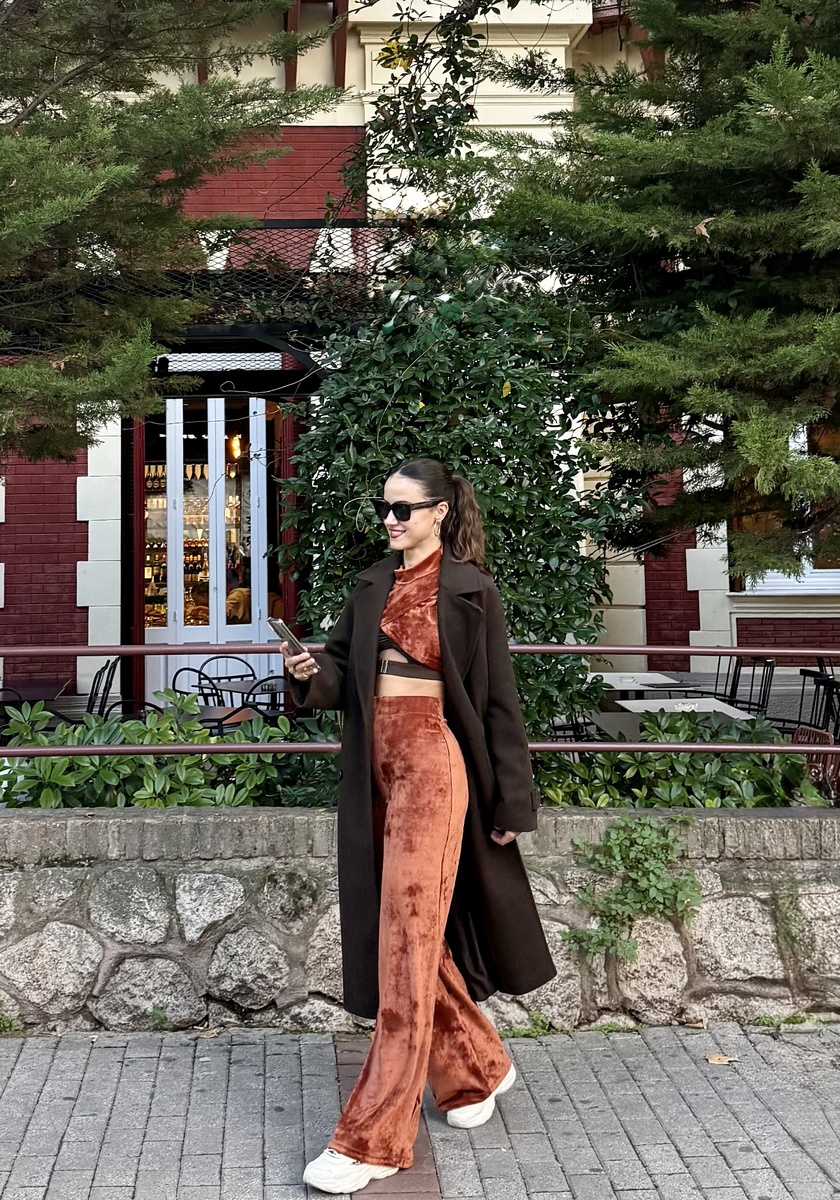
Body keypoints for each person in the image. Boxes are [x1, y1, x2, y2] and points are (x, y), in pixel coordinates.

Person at [280, 458, 555, 1195]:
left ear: (440, 512)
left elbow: (498, 703)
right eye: (386, 507)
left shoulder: (470, 590)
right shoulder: (373, 583)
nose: (391, 520)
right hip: (375, 767)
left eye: (405, 509)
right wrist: (308, 672)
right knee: (409, 934)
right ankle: (477, 1067)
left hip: (435, 762)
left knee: (404, 937)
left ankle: (372, 1138)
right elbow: (342, 676)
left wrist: (511, 803)